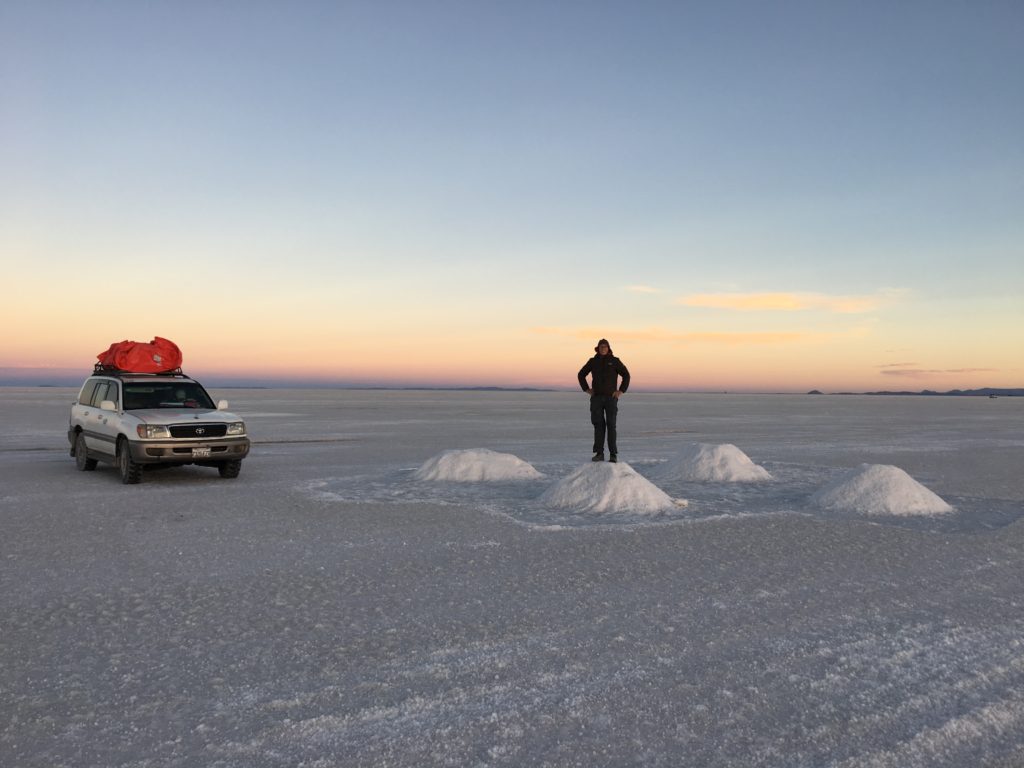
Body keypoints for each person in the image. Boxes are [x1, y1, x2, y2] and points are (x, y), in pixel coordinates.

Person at [577, 338, 630, 462]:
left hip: (611, 398)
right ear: (598, 348)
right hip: (596, 399)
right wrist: (586, 389)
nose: (603, 349)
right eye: (601, 347)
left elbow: (626, 375)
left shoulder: (615, 361)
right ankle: (599, 453)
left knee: (611, 425)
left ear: (609, 348)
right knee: (598, 426)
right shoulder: (592, 361)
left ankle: (613, 455)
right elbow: (581, 374)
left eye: (605, 347)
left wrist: (621, 391)